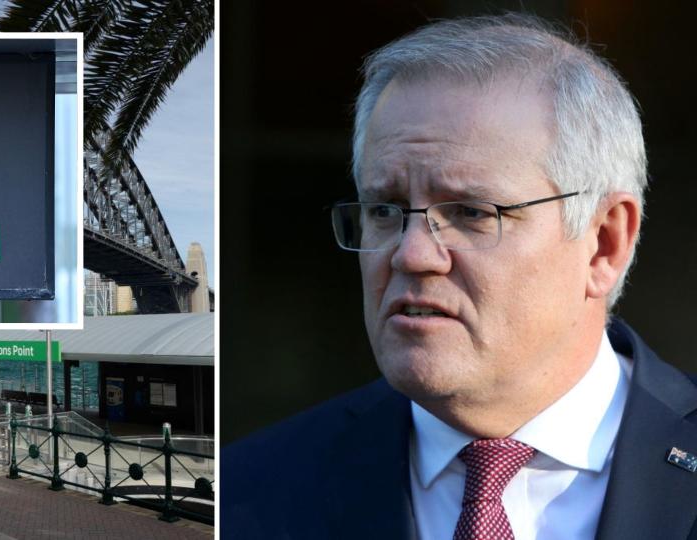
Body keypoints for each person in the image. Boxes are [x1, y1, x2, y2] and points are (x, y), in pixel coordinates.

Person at [222, 13, 697, 539]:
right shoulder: (251, 492)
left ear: (604, 243)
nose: (413, 254)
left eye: (472, 212)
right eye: (385, 210)